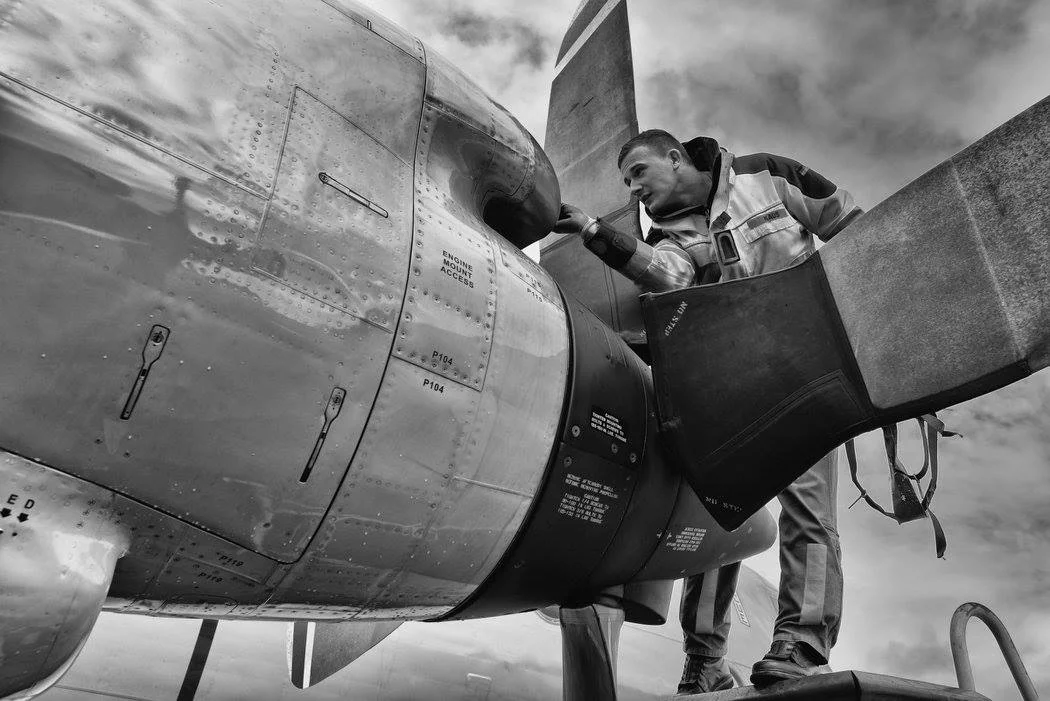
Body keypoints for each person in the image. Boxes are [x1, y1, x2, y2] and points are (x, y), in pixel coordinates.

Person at [553, 129, 862, 692]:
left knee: (808, 517)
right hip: (732, 387)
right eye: (626, 181)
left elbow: (850, 228)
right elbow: (667, 275)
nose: (633, 189)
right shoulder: (673, 235)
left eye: (639, 172)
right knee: (722, 522)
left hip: (806, 370)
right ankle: (704, 661)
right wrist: (596, 233)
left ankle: (802, 642)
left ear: (674, 158)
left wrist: (865, 332)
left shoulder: (769, 176)